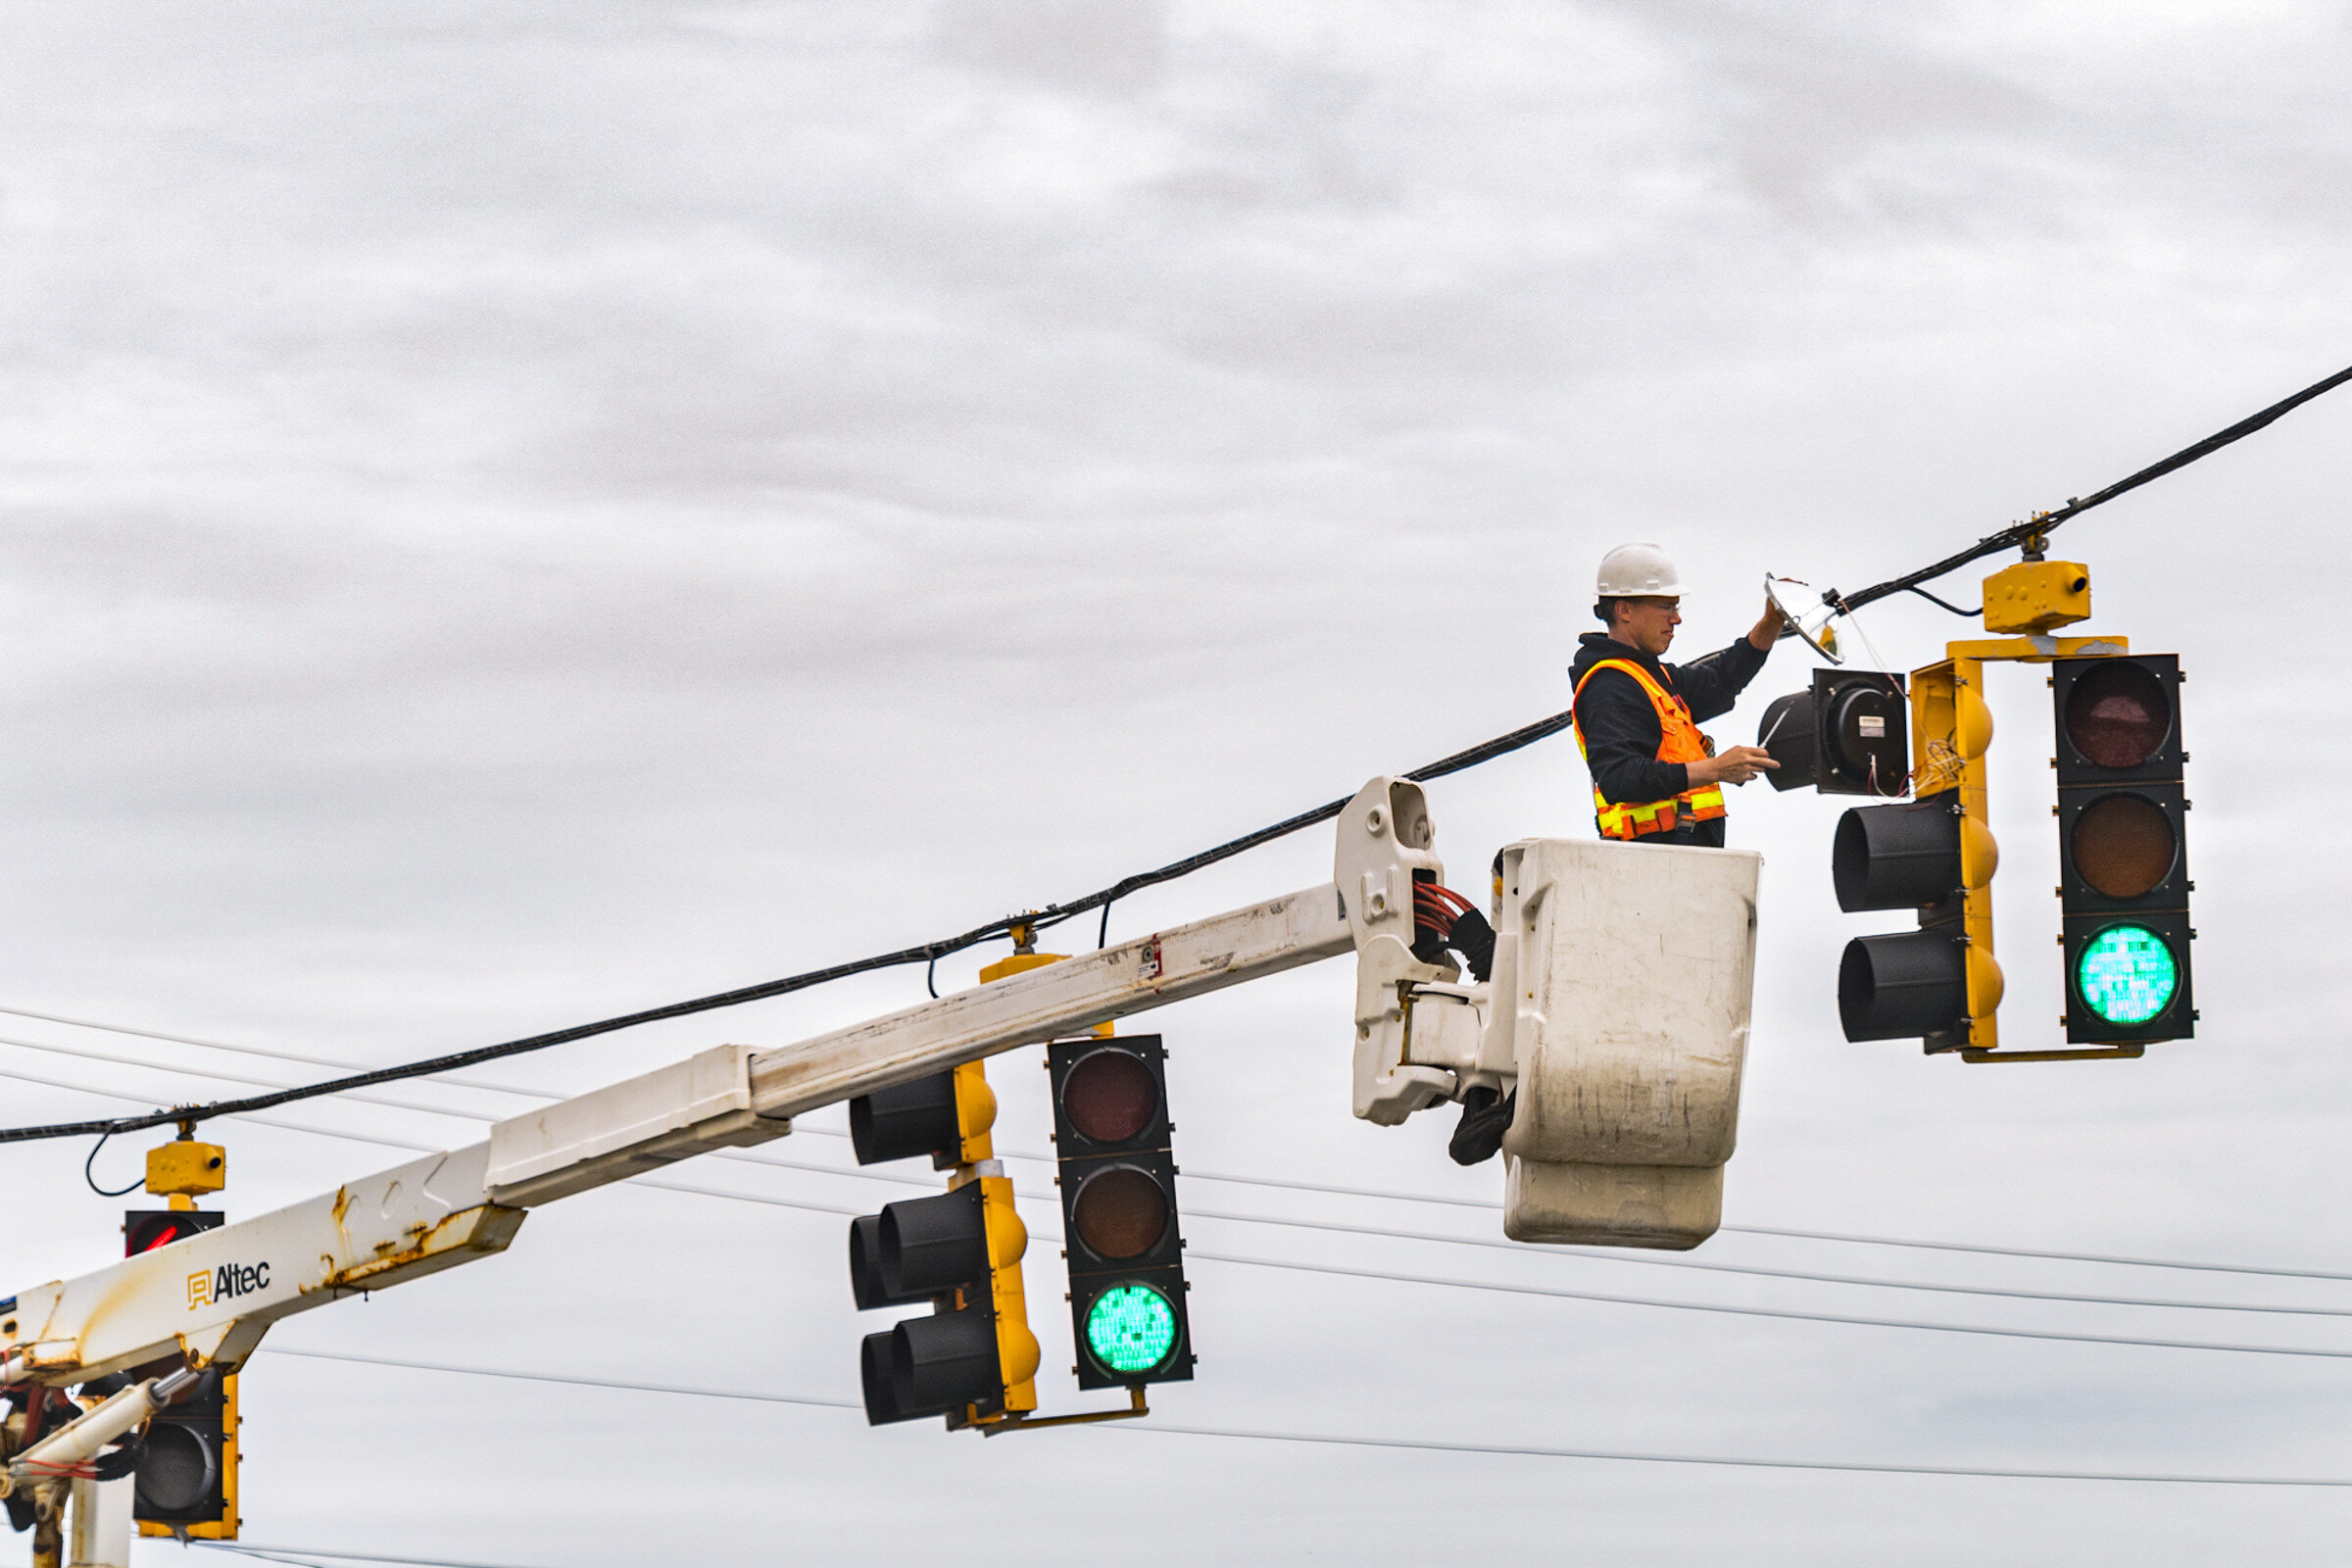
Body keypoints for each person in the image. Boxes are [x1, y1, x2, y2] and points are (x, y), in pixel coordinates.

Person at [1570, 543, 1786, 847]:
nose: (1676, 619)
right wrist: (1716, 768)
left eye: (1676, 607)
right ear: (1624, 610)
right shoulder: (1609, 686)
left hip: (1677, 862)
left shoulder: (1654, 678)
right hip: (1651, 864)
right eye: (1665, 606)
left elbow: (1723, 678)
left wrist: (1771, 623)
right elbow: (1620, 778)